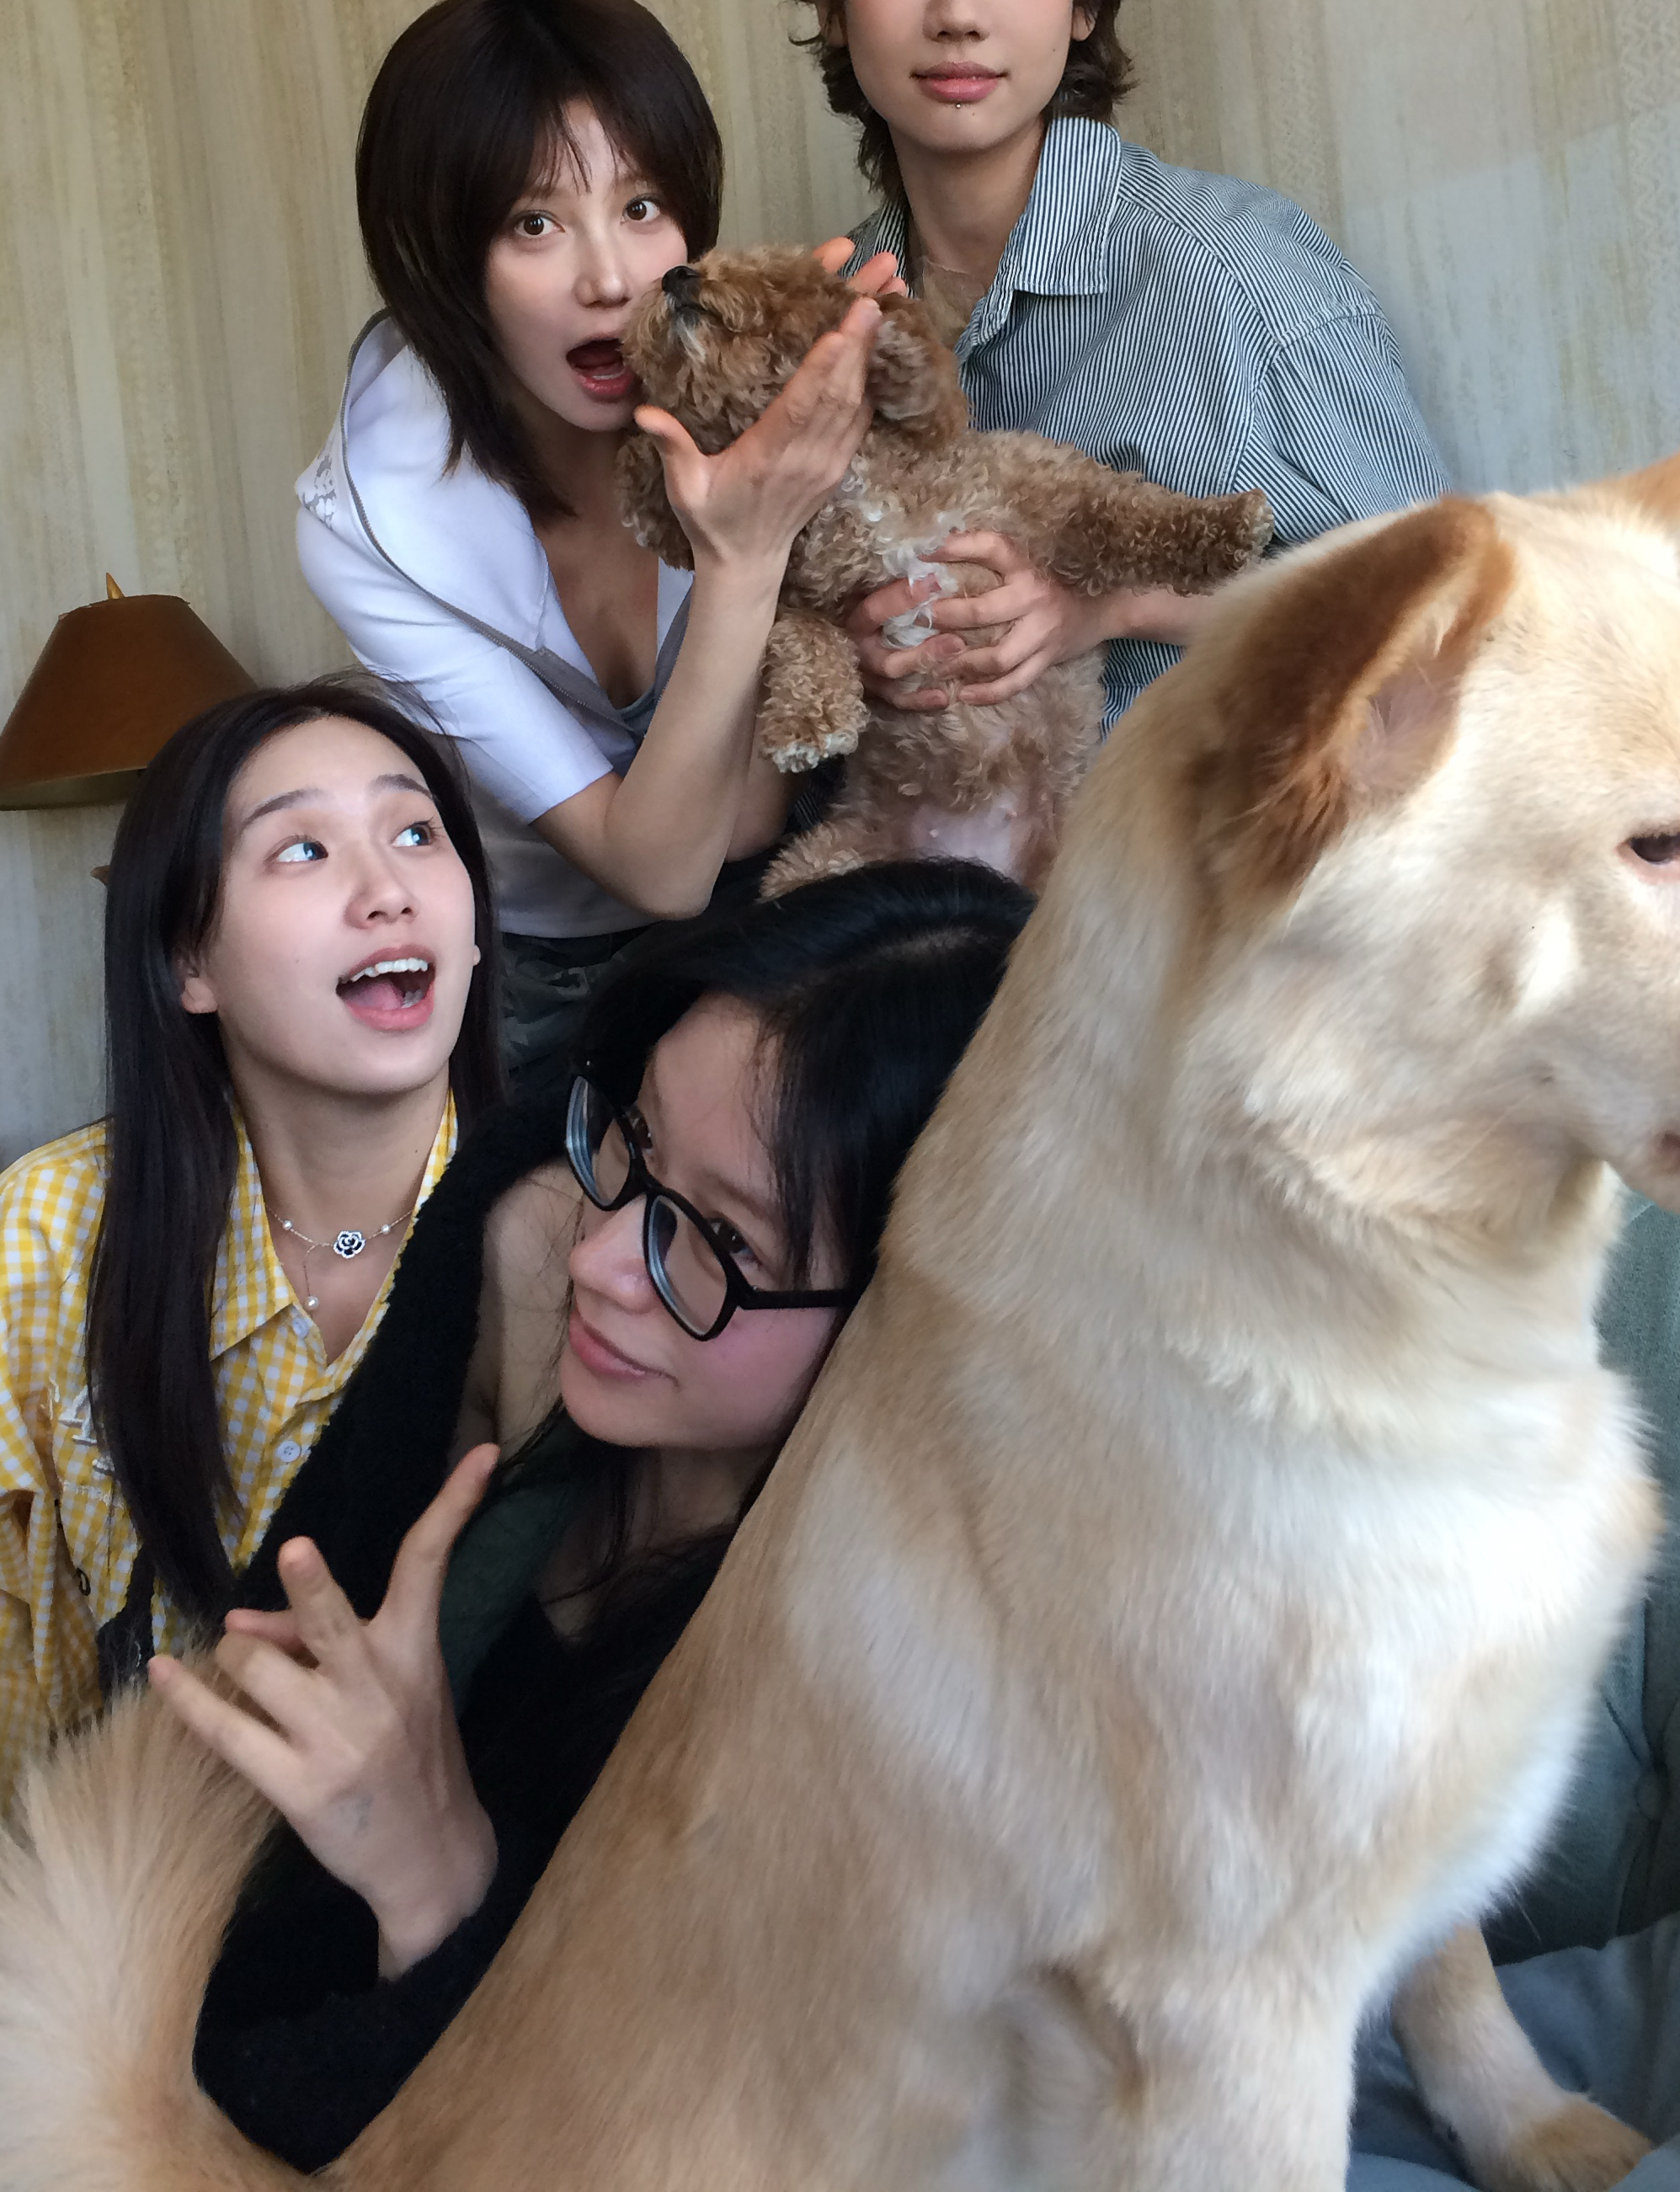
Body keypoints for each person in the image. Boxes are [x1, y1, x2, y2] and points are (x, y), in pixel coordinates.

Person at [137, 861, 1033, 2172]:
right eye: (637, 1146)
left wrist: (439, 1882)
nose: (601, 1257)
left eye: (724, 1242)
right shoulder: (520, 1249)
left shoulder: (889, 1719)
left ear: (907, 1319)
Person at [0, 680, 500, 1957]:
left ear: (473, 931)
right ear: (190, 964)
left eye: (416, 833)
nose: (386, 890)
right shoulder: (39, 1244)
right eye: (302, 850)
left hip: (435, 1923)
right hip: (91, 1911)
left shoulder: (576, 1255)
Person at [760, 0, 1449, 727]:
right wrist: (851, 650)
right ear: (831, 3)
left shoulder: (1239, 277)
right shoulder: (819, 321)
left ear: (1084, 0)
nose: (957, 11)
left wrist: (1115, 606)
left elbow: (1447, 618)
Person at [295, 0, 904, 1087]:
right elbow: (659, 869)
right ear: (440, 258)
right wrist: (745, 553)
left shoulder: (743, 385)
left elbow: (746, 825)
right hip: (537, 962)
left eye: (642, 206)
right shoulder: (370, 526)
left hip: (769, 893)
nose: (612, 280)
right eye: (534, 224)